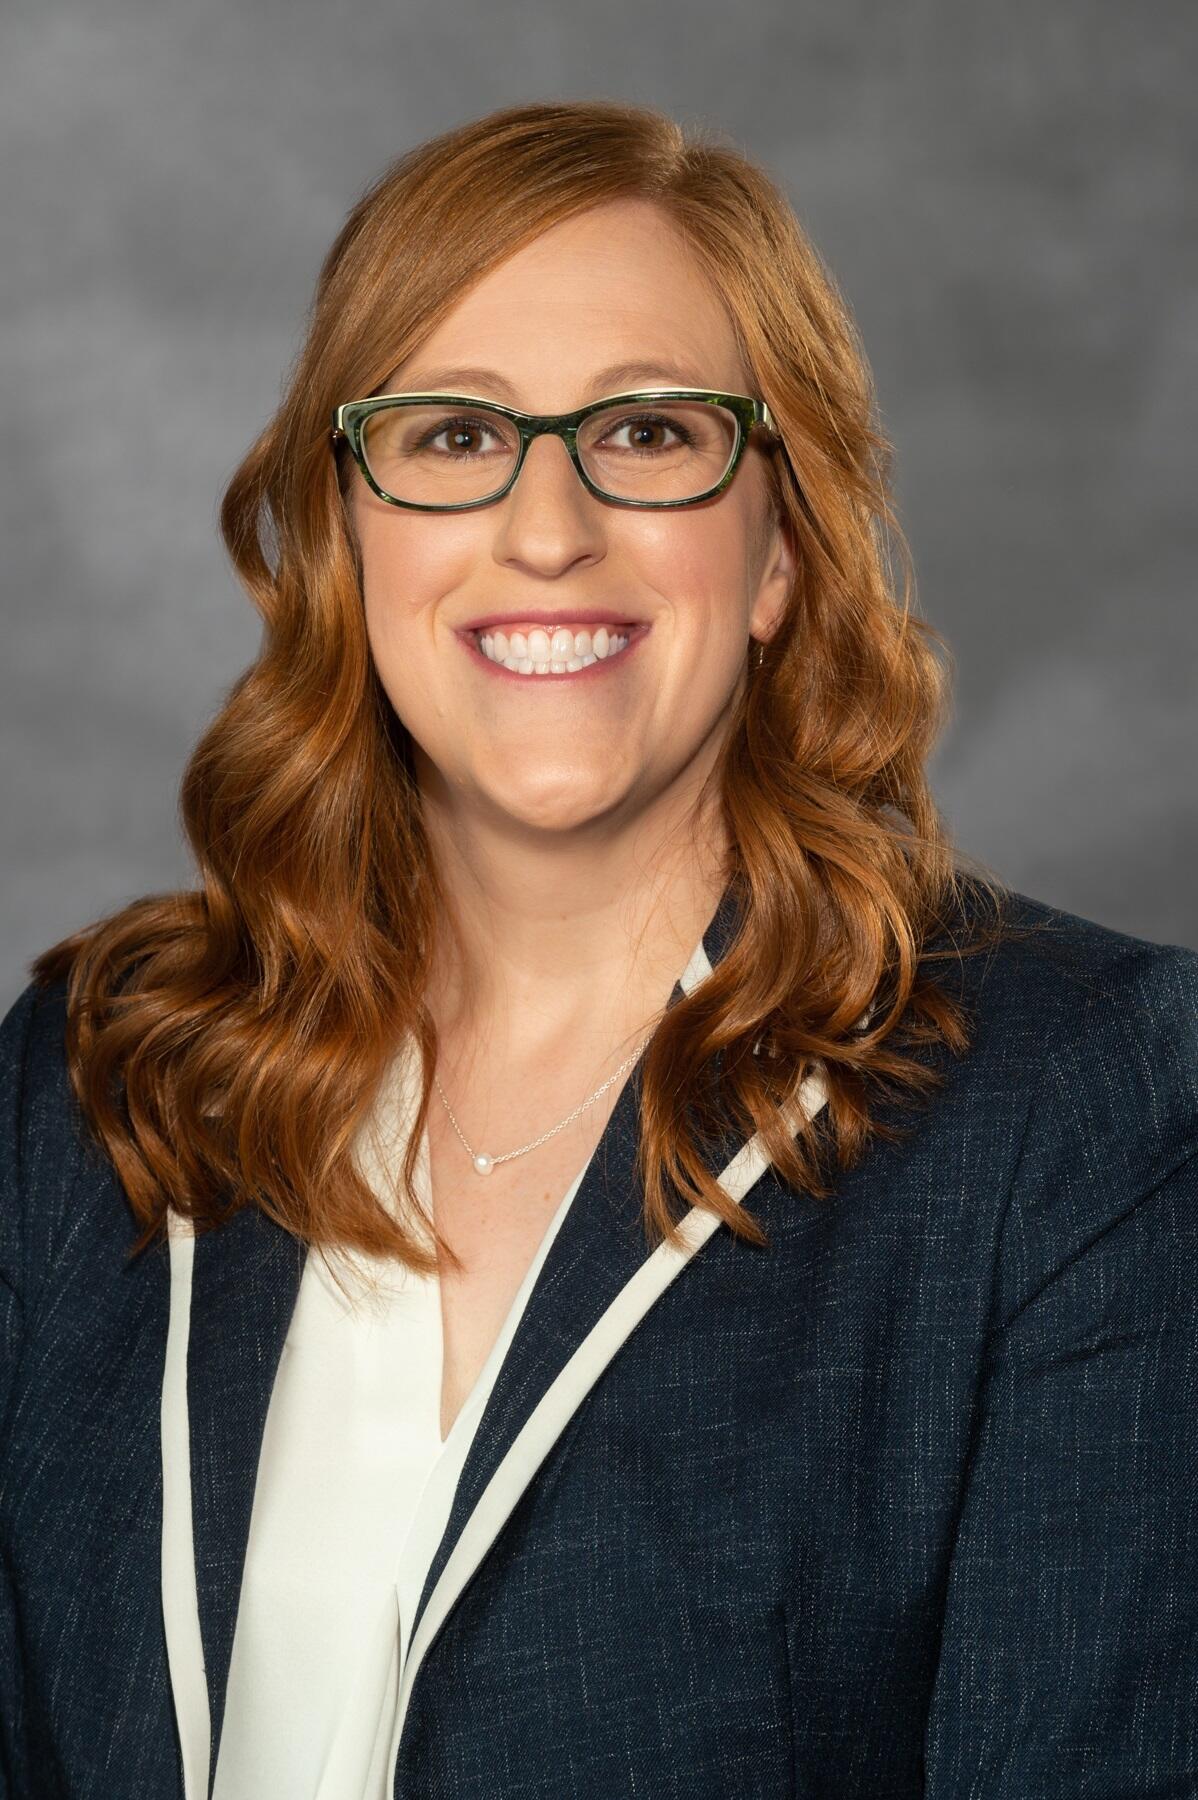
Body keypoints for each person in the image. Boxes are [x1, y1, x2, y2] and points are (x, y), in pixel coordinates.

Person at [1, 98, 1195, 1799]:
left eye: (644, 434)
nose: (546, 526)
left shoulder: (1075, 1115)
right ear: (349, 532)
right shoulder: (91, 1087)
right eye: (450, 437)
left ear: (777, 545)